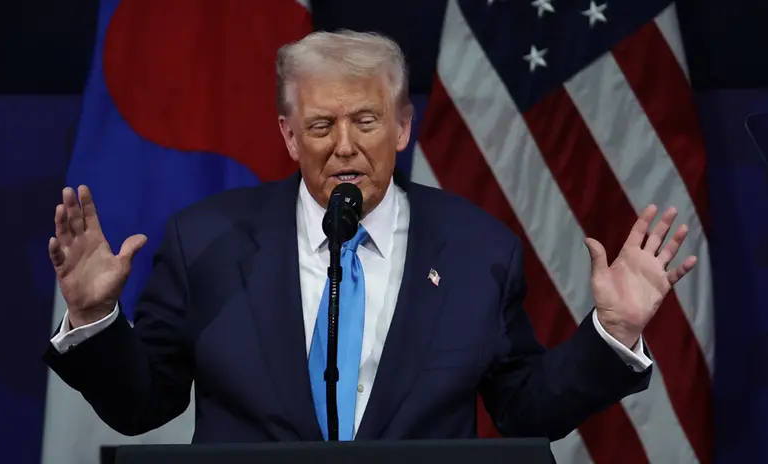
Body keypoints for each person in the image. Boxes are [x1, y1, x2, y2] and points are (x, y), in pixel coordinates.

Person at [44, 30, 696, 443]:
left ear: (404, 127)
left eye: (366, 120)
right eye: (322, 126)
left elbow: (526, 412)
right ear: (289, 136)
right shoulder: (206, 241)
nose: (346, 147)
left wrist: (612, 334)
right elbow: (143, 406)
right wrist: (95, 318)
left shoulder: (476, 248)